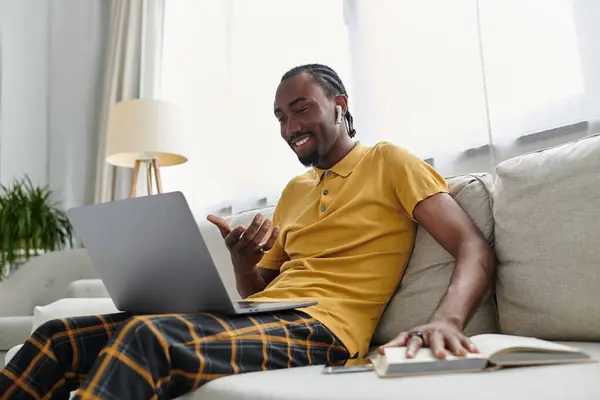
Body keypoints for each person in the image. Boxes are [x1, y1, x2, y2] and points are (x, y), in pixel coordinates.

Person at [0, 64, 494, 400]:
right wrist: (242, 259)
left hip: (325, 330)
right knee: (56, 336)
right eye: (281, 117)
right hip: (265, 314)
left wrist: (447, 319)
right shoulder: (295, 189)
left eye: (301, 109)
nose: (289, 127)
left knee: (146, 335)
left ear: (340, 104)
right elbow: (258, 291)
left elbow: (472, 245)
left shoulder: (389, 161)